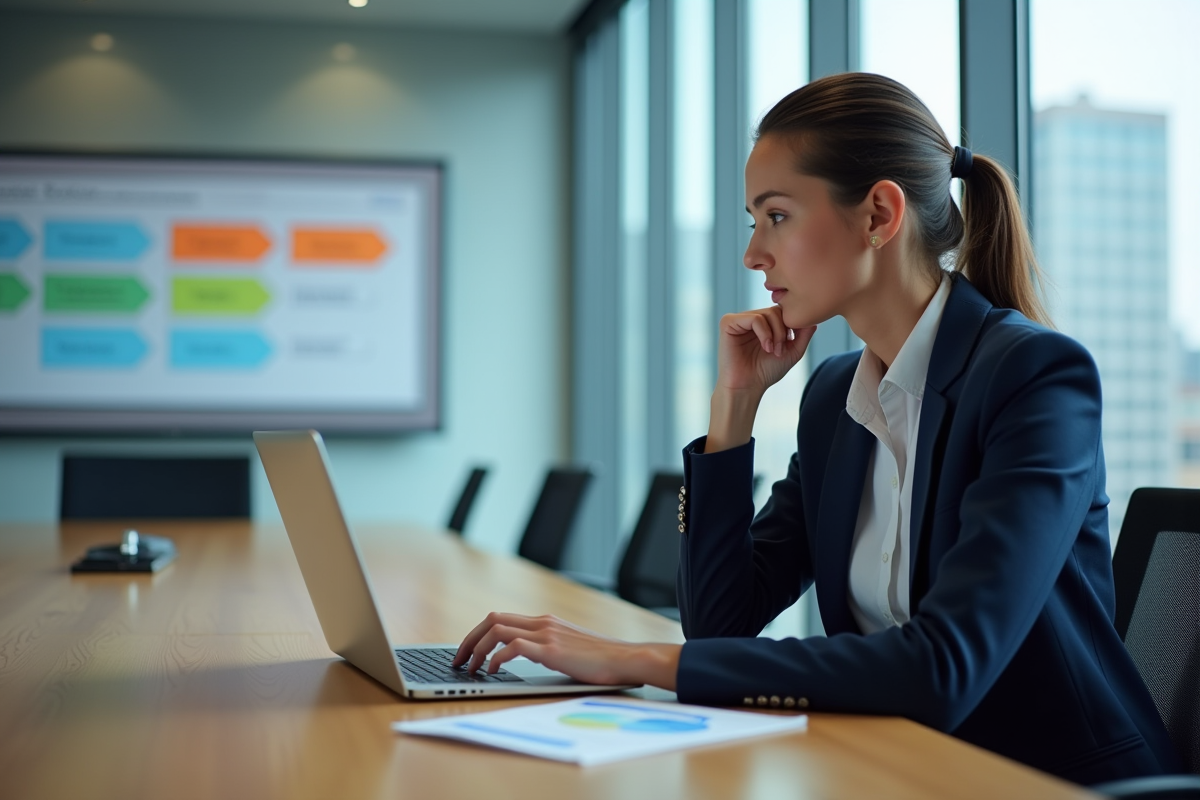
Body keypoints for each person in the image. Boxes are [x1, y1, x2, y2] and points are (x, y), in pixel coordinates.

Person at [452, 73, 1180, 785]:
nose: (752, 256)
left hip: (1046, 781)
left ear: (878, 216)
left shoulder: (1033, 378)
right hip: (900, 770)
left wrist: (637, 658)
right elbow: (721, 625)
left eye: (777, 217)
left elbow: (944, 666)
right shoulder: (835, 397)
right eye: (753, 221)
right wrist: (734, 409)